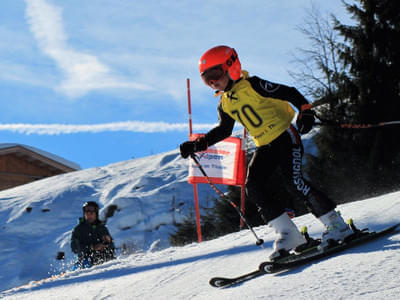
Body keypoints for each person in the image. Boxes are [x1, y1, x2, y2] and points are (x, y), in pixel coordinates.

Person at [179, 45, 353, 260]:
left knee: (294, 181)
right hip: (265, 145)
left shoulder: (253, 85)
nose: (213, 82)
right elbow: (224, 129)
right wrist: (197, 145)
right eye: (207, 79)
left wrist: (306, 111)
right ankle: (289, 234)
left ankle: (337, 225)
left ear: (231, 67)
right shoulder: (225, 103)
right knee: (253, 187)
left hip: (285, 136)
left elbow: (289, 92)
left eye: (215, 74)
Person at [71, 201, 115, 268]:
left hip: (105, 260)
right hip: (87, 261)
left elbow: (112, 247)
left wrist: (108, 242)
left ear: (96, 213)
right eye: (86, 212)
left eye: (91, 212)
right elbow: (75, 248)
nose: (89, 214)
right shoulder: (78, 229)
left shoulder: (102, 228)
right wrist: (92, 247)